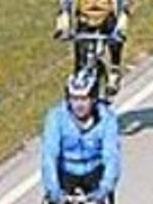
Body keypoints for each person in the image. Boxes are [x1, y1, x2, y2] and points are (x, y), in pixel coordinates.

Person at [54, 0, 131, 98]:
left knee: (115, 43)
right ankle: (78, 80)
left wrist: (121, 29)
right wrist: (62, 26)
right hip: (85, 21)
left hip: (107, 21)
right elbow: (65, 3)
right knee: (80, 56)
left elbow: (123, 6)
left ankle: (114, 70)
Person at [41, 70, 121, 204]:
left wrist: (104, 189)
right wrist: (54, 191)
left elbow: (111, 156)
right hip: (66, 174)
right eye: (74, 98)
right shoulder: (56, 117)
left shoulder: (107, 119)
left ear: (94, 98)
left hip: (94, 174)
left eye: (84, 99)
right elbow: (49, 155)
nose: (79, 105)